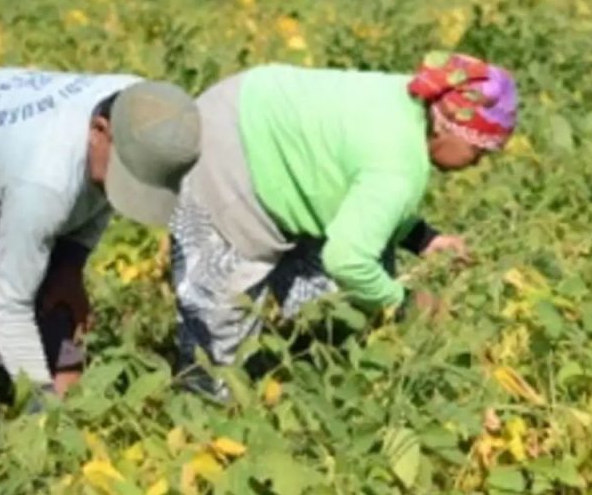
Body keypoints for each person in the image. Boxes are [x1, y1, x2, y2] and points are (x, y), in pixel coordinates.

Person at [169, 52, 518, 396]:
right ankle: (205, 411)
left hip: (265, 113)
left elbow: (354, 178)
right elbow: (348, 259)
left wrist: (422, 238)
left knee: (335, 309)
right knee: (219, 317)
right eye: (480, 150)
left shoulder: (411, 101)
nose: (479, 164)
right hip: (226, 142)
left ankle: (310, 382)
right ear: (446, 127)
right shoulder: (398, 166)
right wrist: (406, 303)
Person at [0, 68, 200, 431]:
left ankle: (68, 463)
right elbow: (8, 305)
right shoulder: (46, 180)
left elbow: (103, 198)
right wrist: (40, 412)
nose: (126, 190)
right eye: (124, 178)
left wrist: (71, 263)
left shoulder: (146, 114)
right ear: (99, 132)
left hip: (8, 168)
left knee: (59, 314)